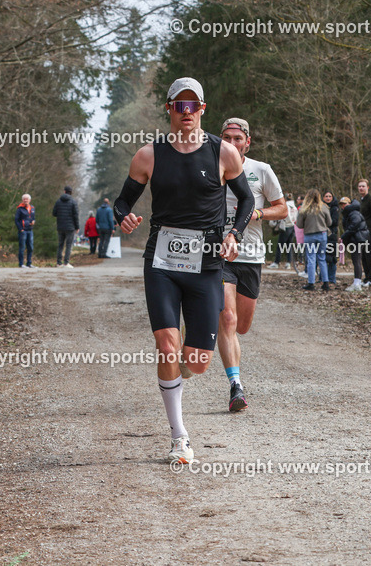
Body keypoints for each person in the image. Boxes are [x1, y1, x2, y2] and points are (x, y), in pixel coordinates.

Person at [113, 77, 253, 463]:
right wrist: (122, 218)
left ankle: (185, 358)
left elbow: (246, 199)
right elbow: (122, 202)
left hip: (206, 264)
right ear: (170, 109)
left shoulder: (224, 153)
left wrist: (234, 233)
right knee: (167, 345)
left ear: (203, 110)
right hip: (161, 263)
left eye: (194, 106)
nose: (187, 112)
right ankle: (179, 436)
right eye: (180, 105)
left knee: (197, 361)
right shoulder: (148, 155)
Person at [217, 118, 286, 412]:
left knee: (241, 327)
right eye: (227, 138)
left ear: (247, 142)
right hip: (218, 254)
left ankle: (212, 326)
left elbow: (282, 208)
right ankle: (236, 386)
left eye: (237, 138)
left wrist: (257, 213)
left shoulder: (261, 170)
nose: (232, 143)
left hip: (252, 256)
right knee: (228, 320)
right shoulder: (210, 167)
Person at [296, 189, 331, 291]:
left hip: (309, 235)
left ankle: (311, 283)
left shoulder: (304, 209)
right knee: (322, 258)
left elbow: (299, 224)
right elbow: (329, 222)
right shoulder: (324, 207)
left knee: (311, 259)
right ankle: (325, 283)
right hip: (322, 235)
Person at [340, 196, 368, 291]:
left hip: (358, 239)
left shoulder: (354, 213)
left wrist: (344, 236)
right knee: (356, 260)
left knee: (356, 261)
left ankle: (357, 283)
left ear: (349, 204)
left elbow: (354, 226)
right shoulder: (349, 213)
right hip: (356, 239)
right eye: (342, 204)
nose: (343, 206)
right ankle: (357, 282)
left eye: (345, 204)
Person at [53, 185, 79, 268]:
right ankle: (66, 263)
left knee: (60, 244)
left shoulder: (58, 201)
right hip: (70, 227)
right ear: (71, 192)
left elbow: (54, 213)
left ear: (64, 191)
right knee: (68, 245)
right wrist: (77, 227)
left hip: (60, 226)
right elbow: (76, 215)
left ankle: (58, 263)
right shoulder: (73, 202)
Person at [269, 191, 297, 269]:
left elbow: (285, 215)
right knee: (289, 246)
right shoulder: (294, 206)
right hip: (292, 227)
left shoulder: (286, 206)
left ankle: (276, 262)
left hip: (286, 227)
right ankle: (288, 263)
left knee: (280, 246)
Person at [323, 191, 340, 286]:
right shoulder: (320, 208)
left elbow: (335, 221)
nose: (328, 198)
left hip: (332, 235)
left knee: (332, 258)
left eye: (330, 196)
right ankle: (323, 278)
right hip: (322, 234)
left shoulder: (335, 208)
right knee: (323, 258)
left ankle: (332, 278)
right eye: (326, 196)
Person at [15, 194, 36, 268]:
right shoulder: (19, 209)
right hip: (23, 231)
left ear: (29, 200)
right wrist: (20, 229)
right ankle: (21, 264)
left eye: (27, 199)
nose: (25, 200)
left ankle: (29, 263)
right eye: (24, 199)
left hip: (30, 230)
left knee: (30, 247)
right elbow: (16, 220)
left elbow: (33, 218)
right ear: (22, 200)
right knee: (22, 247)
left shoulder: (32, 208)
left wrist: (33, 221)